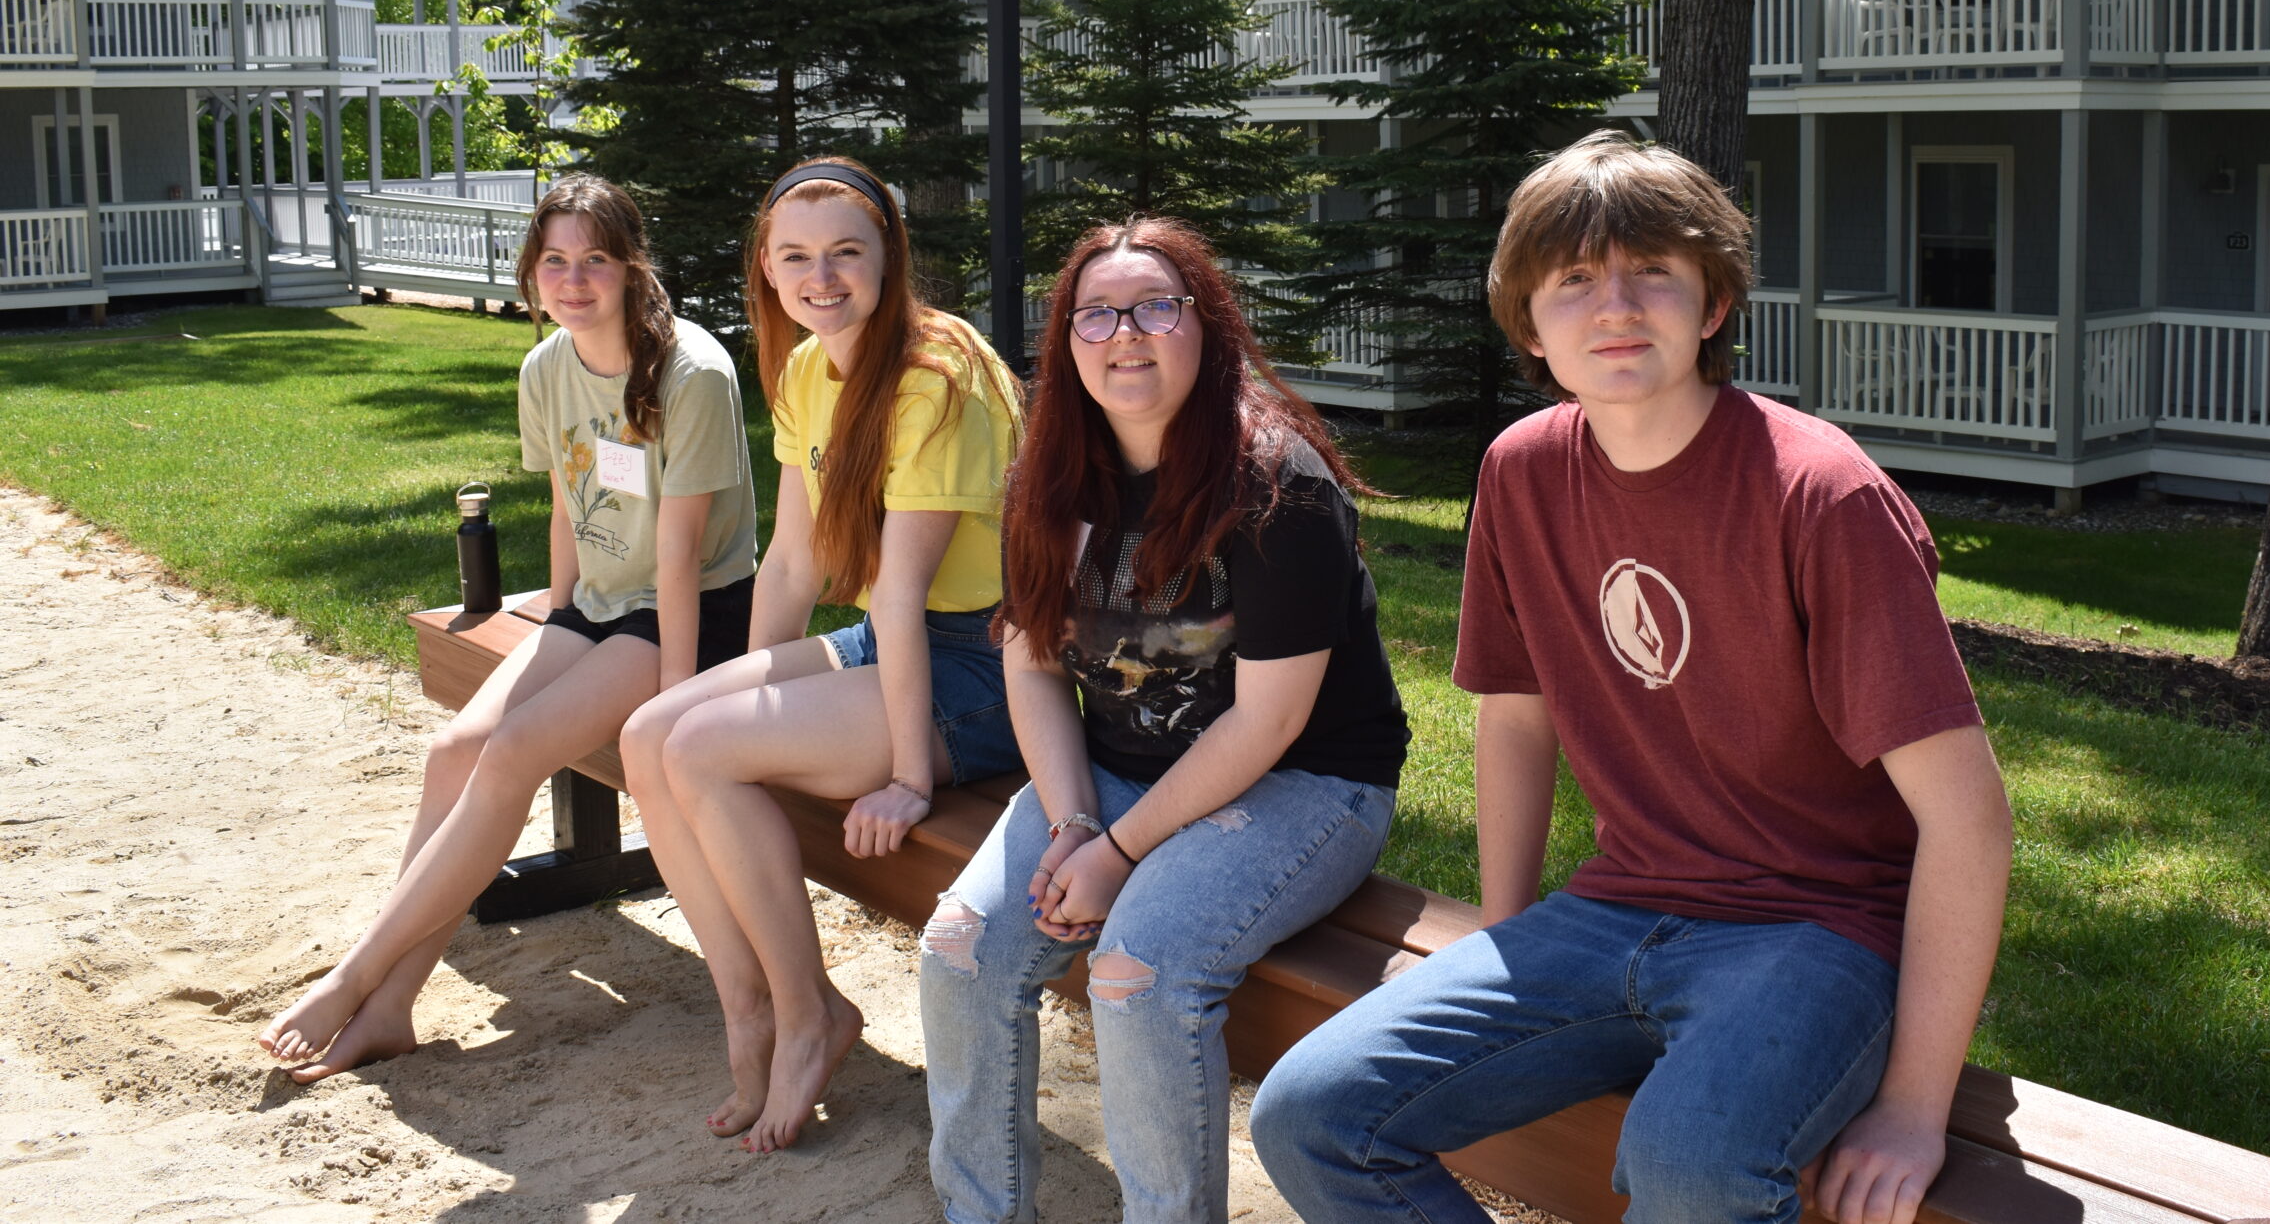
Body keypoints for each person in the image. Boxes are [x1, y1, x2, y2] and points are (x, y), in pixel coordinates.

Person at [1251, 132, 2015, 1224]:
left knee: (1691, 1162)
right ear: (1530, 326)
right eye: (1572, 281)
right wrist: (1503, 938)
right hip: (1616, 906)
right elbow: (1515, 718)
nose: (1614, 307)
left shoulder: (1821, 496)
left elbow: (1969, 819)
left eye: (1651, 271)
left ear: (1711, 305)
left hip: (1820, 928)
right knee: (1310, 1112)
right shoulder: (1519, 473)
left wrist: (1911, 1109)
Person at [919, 217, 1409, 1224]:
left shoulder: (1274, 484)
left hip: (1304, 785)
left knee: (1136, 974)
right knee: (961, 945)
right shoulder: (1045, 480)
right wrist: (1069, 826)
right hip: (1112, 774)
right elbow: (1035, 669)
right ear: (1066, 342)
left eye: (1154, 307)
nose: (1123, 334)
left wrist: (1118, 852)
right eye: (1095, 314)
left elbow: (1269, 723)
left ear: (1206, 325)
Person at [257, 173, 760, 1082]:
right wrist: (551, 618)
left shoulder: (692, 371)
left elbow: (680, 562)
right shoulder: (546, 366)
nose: (573, 281)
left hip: (692, 617)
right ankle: (394, 1005)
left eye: (595, 260)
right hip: (600, 606)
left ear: (631, 267)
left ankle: (355, 974)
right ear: (532, 271)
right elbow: (571, 507)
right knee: (455, 749)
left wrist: (678, 701)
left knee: (512, 750)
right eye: (554, 261)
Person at [616, 157, 1024, 1154]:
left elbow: (899, 585)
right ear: (765, 265)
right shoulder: (808, 364)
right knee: (653, 736)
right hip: (899, 639)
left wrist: (911, 777)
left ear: (891, 254)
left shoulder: (939, 373)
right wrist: (746, 700)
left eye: (848, 251)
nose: (822, 276)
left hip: (991, 663)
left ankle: (808, 1018)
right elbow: (792, 563)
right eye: (796, 255)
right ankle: (747, 1004)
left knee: (704, 749)